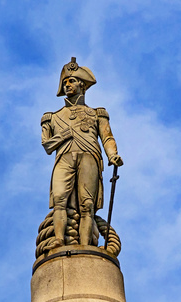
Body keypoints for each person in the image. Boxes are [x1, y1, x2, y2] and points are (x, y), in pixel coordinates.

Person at [41, 58, 123, 247]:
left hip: (89, 157)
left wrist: (113, 155)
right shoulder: (52, 117)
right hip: (64, 157)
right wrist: (64, 135)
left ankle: (86, 246)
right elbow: (46, 145)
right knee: (59, 200)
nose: (67, 85)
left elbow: (107, 137)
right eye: (65, 82)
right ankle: (59, 240)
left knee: (87, 205)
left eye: (71, 81)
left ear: (82, 85)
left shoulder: (97, 114)